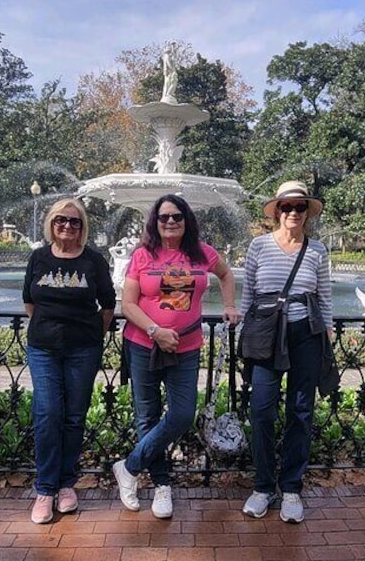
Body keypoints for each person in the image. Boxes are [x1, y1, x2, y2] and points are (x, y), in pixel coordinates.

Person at [113, 194, 240, 519]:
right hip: (143, 344)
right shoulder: (142, 256)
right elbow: (128, 305)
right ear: (155, 222)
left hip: (186, 346)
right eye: (164, 217)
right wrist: (156, 331)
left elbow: (227, 275)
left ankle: (128, 467)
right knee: (148, 416)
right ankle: (161, 485)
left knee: (183, 414)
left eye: (177, 217)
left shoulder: (203, 252)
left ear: (187, 221)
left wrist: (228, 305)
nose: (170, 222)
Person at [239, 180, 332, 523]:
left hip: (306, 332)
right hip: (265, 333)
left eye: (299, 207)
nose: (293, 212)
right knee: (261, 409)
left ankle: (291, 487)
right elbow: (248, 294)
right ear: (277, 211)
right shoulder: (259, 246)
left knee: (300, 411)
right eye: (286, 207)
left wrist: (329, 335)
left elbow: (324, 296)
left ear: (307, 212)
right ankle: (263, 486)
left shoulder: (318, 250)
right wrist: (245, 333)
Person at [22, 198, 115, 524]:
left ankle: (66, 484)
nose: (68, 226)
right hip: (43, 348)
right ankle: (45, 488)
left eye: (75, 222)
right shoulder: (38, 258)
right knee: (48, 414)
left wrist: (92, 336)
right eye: (62, 220)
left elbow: (108, 305)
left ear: (82, 227)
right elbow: (29, 301)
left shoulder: (93, 261)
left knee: (74, 417)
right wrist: (48, 329)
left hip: (83, 349)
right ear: (51, 222)